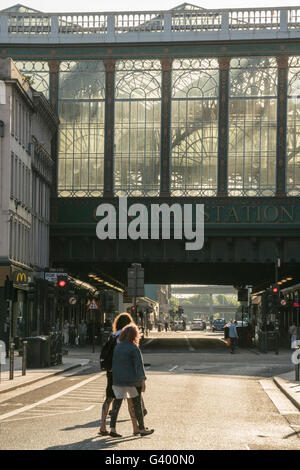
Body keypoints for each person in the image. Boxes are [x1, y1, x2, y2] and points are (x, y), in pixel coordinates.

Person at [99, 312, 146, 436]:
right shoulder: (125, 339)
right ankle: (137, 428)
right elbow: (135, 362)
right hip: (124, 373)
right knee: (132, 400)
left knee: (110, 399)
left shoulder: (112, 336)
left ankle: (103, 426)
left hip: (112, 372)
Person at [109, 323, 154, 438]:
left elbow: (115, 364)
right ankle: (142, 428)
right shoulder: (134, 349)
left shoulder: (117, 347)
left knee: (116, 404)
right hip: (132, 381)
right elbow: (139, 367)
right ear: (135, 335)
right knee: (137, 404)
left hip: (118, 380)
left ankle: (112, 428)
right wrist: (143, 381)